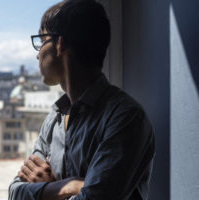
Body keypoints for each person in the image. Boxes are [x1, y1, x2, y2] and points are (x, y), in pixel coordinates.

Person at [8, 0, 155, 199]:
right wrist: (68, 187)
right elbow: (16, 191)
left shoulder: (125, 117)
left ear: (59, 44)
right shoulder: (55, 116)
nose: (38, 55)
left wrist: (45, 192)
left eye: (42, 41)